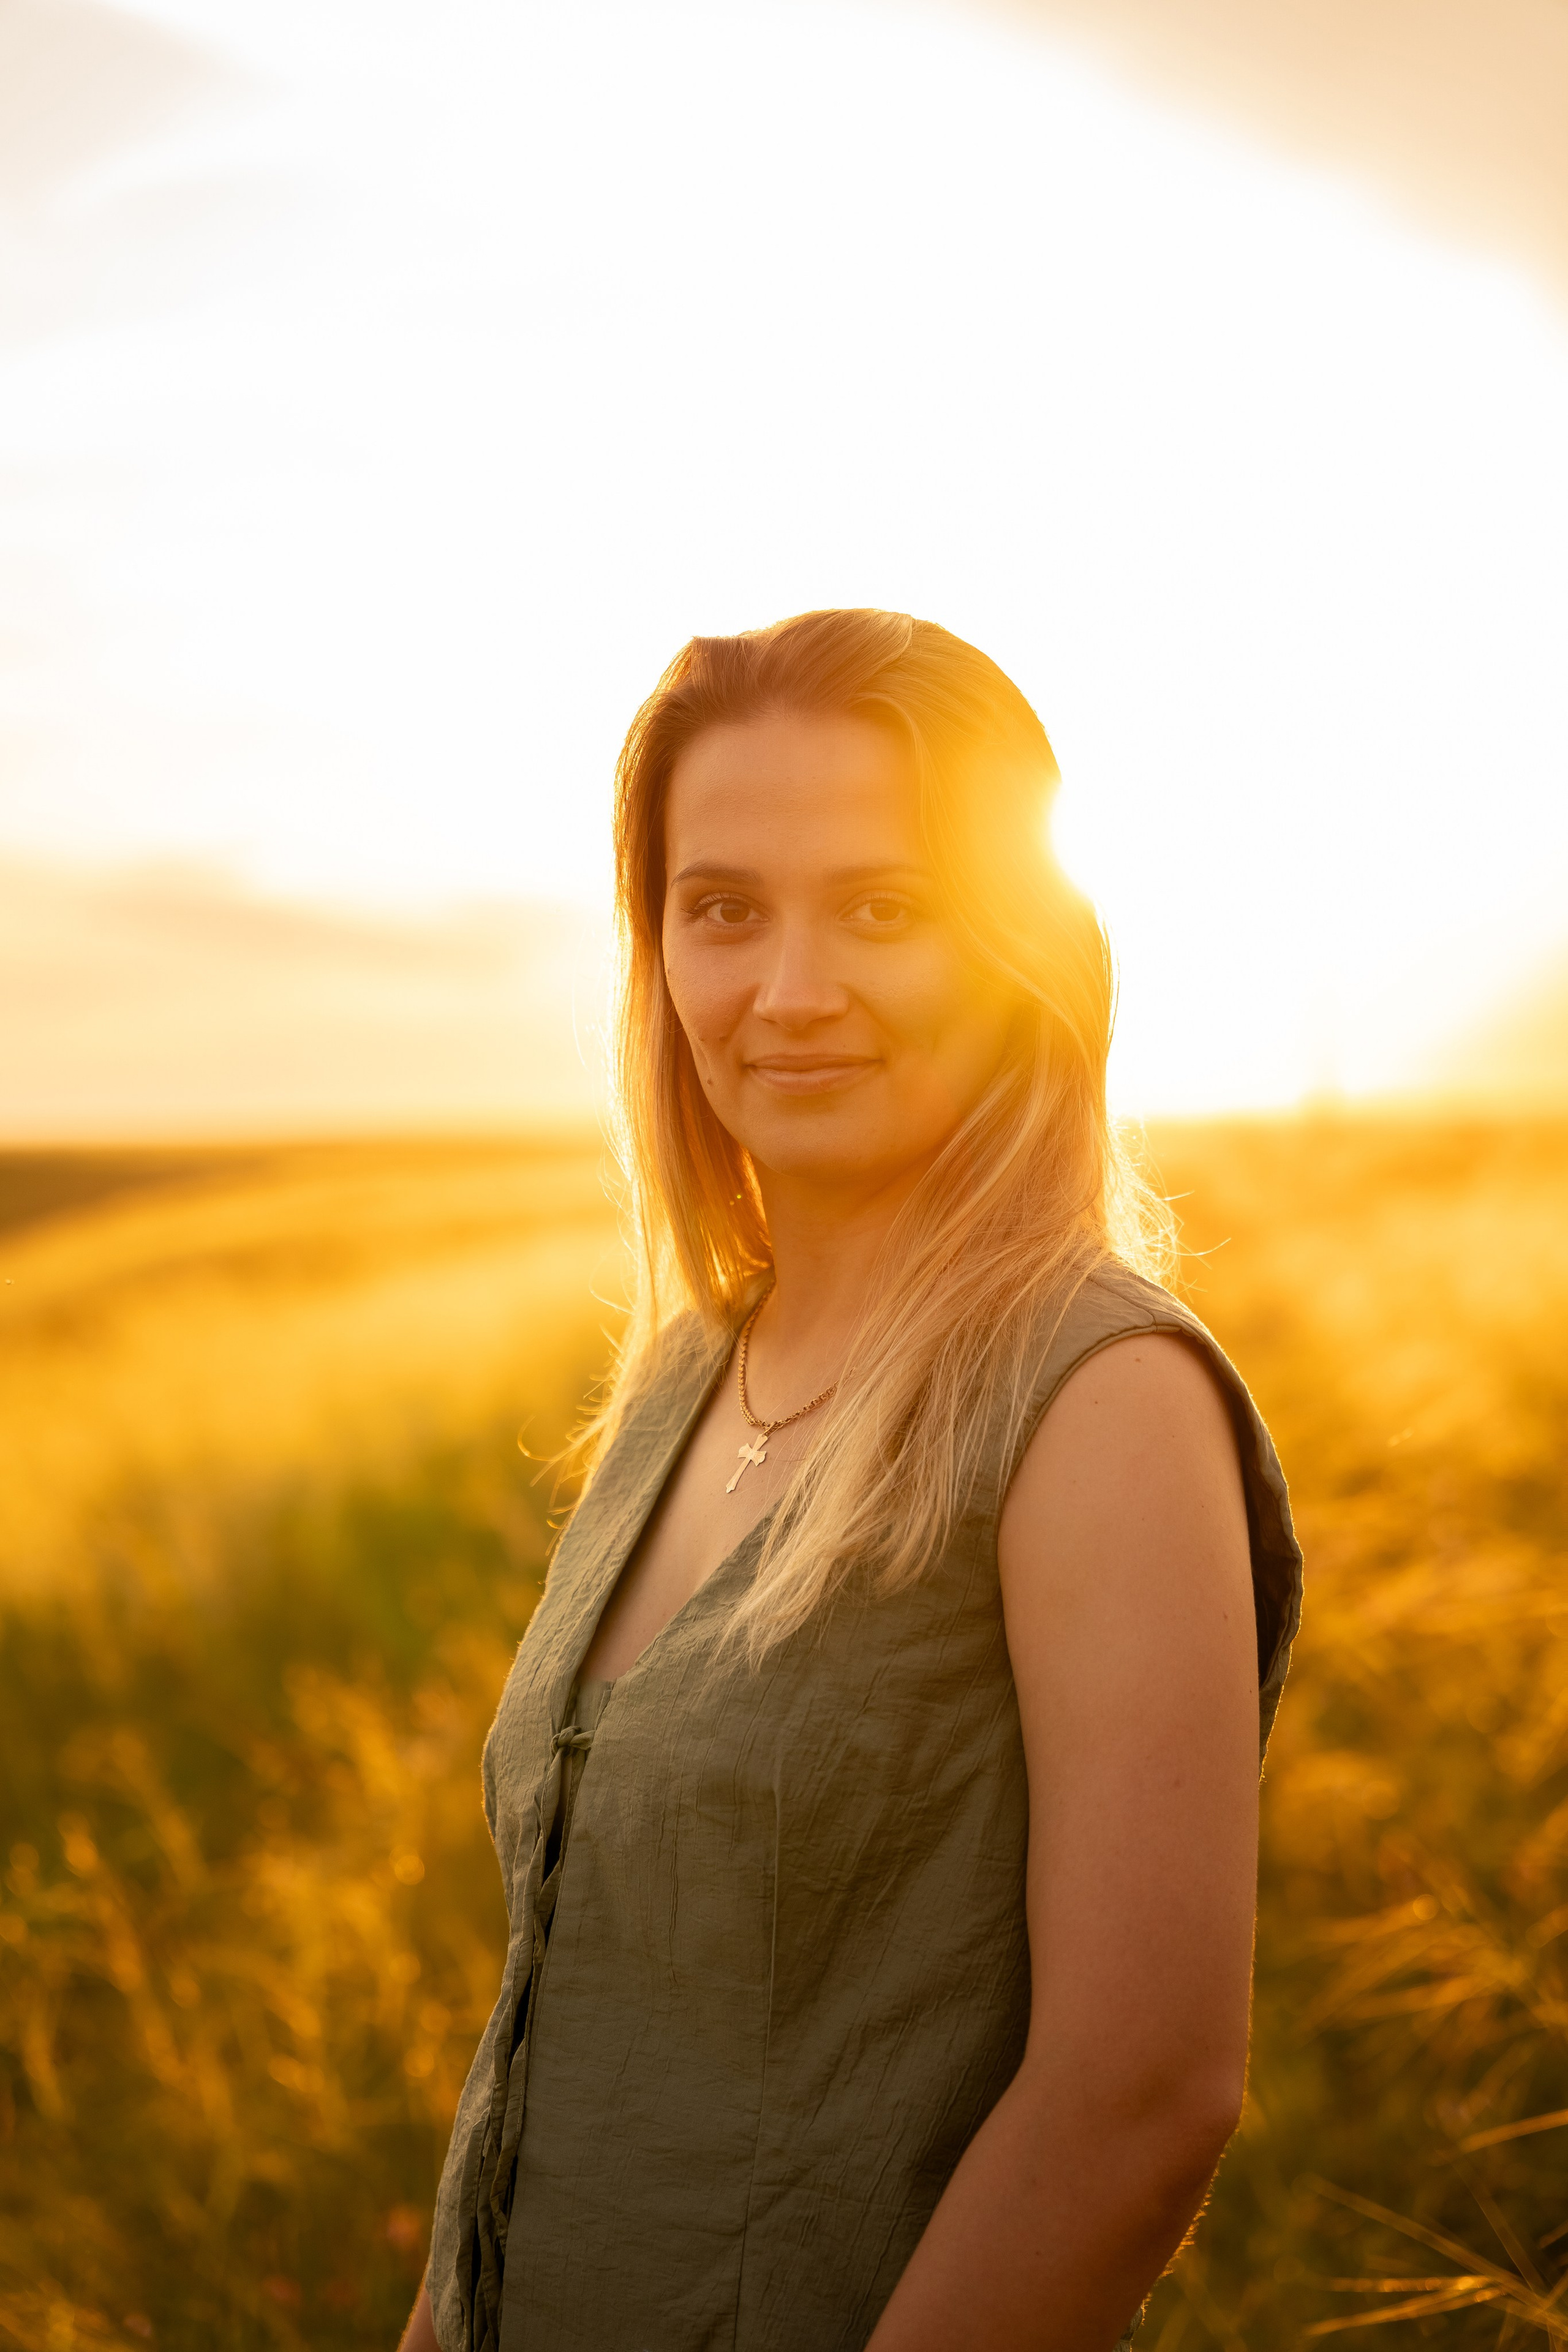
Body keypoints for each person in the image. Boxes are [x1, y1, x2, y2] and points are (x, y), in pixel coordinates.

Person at [398, 608, 1302, 2352]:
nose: (790, 991)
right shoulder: (681, 1383)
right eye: (722, 907)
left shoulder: (1095, 1402)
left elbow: (1139, 2101)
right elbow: (544, 2036)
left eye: (884, 910)